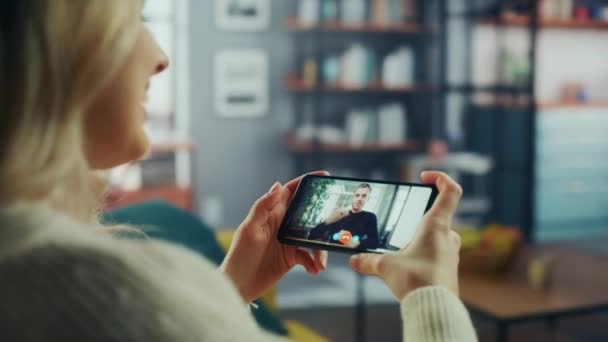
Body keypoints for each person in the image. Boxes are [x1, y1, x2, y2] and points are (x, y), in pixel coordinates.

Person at [0, 1, 477, 341]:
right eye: (135, 18)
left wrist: (231, 288)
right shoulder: (97, 291)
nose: (161, 57)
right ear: (55, 52)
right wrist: (431, 293)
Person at [308, 183, 380, 249]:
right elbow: (312, 235)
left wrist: (357, 243)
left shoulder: (370, 217)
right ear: (353, 197)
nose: (359, 199)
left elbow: (375, 242)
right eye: (357, 195)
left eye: (364, 196)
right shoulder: (339, 214)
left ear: (368, 199)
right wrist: (328, 221)